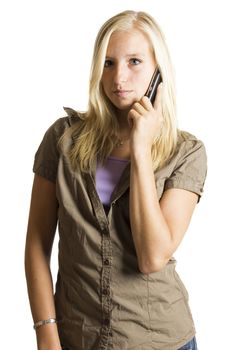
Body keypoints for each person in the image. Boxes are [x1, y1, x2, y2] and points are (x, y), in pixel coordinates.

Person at [25, 10, 207, 350]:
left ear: (158, 71)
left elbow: (152, 257)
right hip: (77, 337)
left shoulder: (186, 153)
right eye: (108, 63)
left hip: (160, 341)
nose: (119, 77)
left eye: (134, 61)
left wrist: (140, 150)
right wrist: (46, 333)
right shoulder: (62, 140)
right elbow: (37, 243)